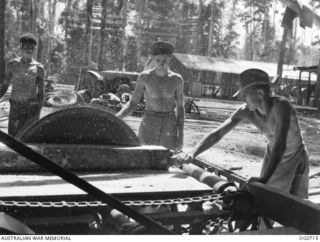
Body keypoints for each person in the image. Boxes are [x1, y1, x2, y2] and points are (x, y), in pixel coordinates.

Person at [174, 68, 309, 199]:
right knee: (267, 197)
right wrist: (192, 153)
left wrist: (264, 179)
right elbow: (217, 134)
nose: (243, 99)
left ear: (260, 93)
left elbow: (280, 146)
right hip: (273, 152)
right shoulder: (246, 111)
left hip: (295, 153)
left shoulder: (281, 106)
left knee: (297, 203)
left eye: (245, 95)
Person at [116, 41, 185, 151]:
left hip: (169, 123)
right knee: (144, 155)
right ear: (152, 59)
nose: (161, 64)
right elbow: (133, 103)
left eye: (165, 60)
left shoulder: (177, 80)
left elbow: (180, 108)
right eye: (158, 60)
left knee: (168, 157)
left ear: (170, 59)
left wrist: (181, 135)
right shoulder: (145, 77)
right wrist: (117, 118)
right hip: (149, 122)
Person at [0, 33, 45, 137]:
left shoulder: (39, 68)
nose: (29, 50)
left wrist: (38, 109)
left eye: (31, 48)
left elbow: (41, 92)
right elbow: (5, 85)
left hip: (30, 108)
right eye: (26, 47)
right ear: (21, 47)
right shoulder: (12, 64)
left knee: (27, 138)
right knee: (12, 138)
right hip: (15, 106)